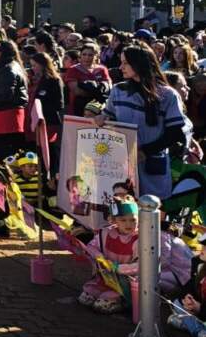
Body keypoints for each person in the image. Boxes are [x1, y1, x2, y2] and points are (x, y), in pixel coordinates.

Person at [97, 46, 190, 198]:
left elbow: (175, 133)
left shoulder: (167, 95)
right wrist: (101, 118)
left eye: (125, 63)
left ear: (140, 64)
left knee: (150, 212)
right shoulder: (118, 91)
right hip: (120, 166)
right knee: (123, 214)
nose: (121, 67)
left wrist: (145, 152)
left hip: (151, 165)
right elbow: (109, 118)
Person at [77, 199, 139, 314]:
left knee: (104, 303)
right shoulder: (106, 233)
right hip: (106, 277)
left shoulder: (140, 239)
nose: (128, 224)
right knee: (86, 295)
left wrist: (118, 268)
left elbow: (142, 265)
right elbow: (91, 247)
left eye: (133, 220)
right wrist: (100, 257)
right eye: (123, 220)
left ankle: (121, 301)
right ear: (115, 220)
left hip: (126, 282)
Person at [0, 40, 29, 159]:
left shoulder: (8, 69)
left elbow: (5, 95)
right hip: (3, 118)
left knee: (5, 156)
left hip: (6, 120)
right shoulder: (7, 67)